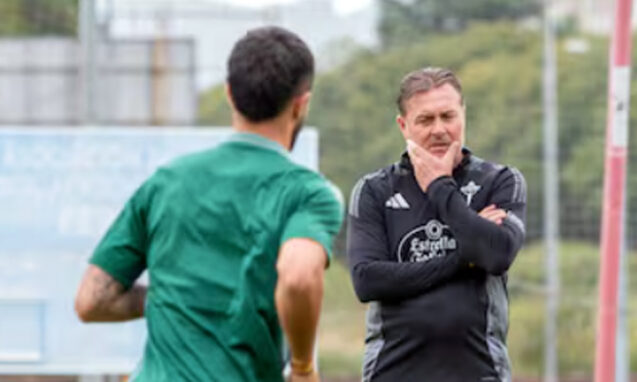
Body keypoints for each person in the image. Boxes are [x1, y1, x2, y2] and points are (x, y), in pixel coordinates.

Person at [74, 26, 343, 382]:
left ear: (230, 94)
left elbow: (92, 301)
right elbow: (297, 276)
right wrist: (303, 368)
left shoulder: (166, 181)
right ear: (301, 103)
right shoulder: (309, 193)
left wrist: (179, 295)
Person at [347, 67, 527, 382]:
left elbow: (497, 255)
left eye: (448, 116)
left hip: (478, 371)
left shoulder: (500, 181)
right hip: (393, 372)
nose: (439, 129)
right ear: (404, 126)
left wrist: (440, 186)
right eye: (425, 120)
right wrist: (465, 258)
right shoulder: (375, 190)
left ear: (463, 116)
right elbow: (368, 280)